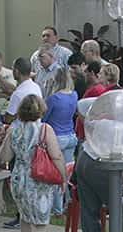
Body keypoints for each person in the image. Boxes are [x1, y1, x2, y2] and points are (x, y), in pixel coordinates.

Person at [0, 95, 66, 232]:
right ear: (41, 109)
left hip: (18, 178)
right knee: (41, 221)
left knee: (25, 215)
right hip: (39, 179)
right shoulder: (44, 129)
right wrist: (63, 177)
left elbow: (4, 157)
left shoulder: (14, 130)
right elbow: (56, 155)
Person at [43, 67, 78, 214]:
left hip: (56, 137)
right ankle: (68, 202)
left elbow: (44, 117)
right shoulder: (74, 95)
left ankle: (57, 208)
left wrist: (48, 89)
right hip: (70, 135)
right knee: (67, 173)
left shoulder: (54, 98)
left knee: (56, 174)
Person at [4, 57, 42, 125]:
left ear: (16, 71)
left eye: (12, 69)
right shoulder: (36, 87)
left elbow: (7, 119)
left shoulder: (18, 94)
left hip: (20, 132)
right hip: (36, 129)